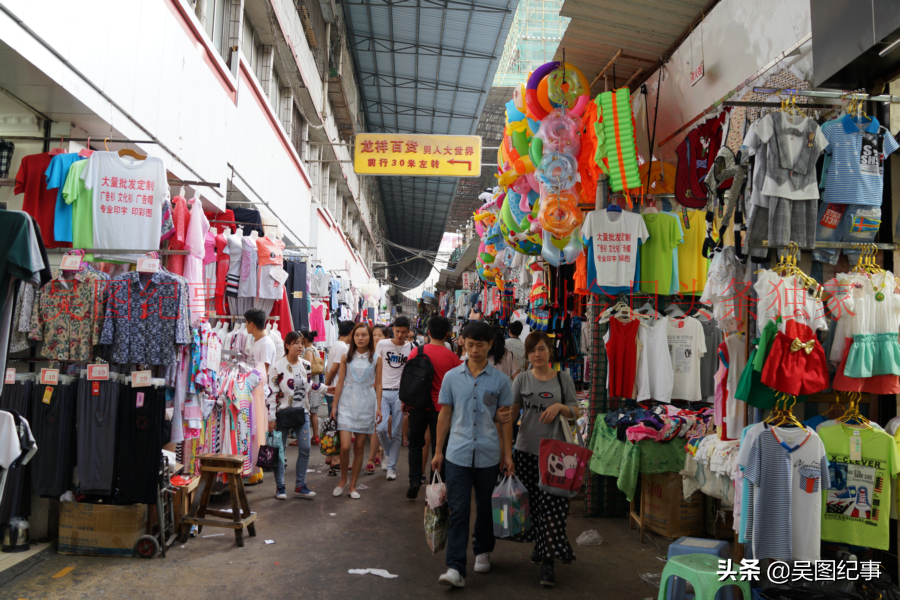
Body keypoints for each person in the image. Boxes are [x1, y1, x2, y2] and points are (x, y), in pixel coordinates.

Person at [432, 321, 513, 588]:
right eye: (470, 344)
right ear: (462, 344)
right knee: (459, 510)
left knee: (487, 508)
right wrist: (438, 451)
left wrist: (507, 455)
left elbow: (505, 420)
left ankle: (482, 549)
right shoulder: (452, 378)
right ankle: (455, 567)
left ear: (490, 345)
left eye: (480, 344)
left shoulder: (501, 381)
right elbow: (445, 414)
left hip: (489, 454)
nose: (475, 349)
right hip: (457, 453)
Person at [506, 331, 579, 586]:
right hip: (526, 451)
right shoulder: (521, 380)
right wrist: (506, 451)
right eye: (533, 350)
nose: (537, 354)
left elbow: (577, 410)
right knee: (533, 506)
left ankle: (548, 562)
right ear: (527, 355)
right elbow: (511, 416)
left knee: (553, 508)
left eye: (542, 349)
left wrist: (561, 407)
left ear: (550, 351)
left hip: (556, 456)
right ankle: (540, 546)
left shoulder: (563, 379)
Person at [406, 316, 459, 499]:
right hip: (441, 409)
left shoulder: (417, 352)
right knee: (440, 448)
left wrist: (406, 402)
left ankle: (414, 480)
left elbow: (409, 380)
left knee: (415, 444)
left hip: (418, 406)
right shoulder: (453, 358)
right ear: (446, 335)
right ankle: (435, 487)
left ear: (428, 332)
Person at [330, 323, 383, 499]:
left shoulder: (377, 358)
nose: (361, 338)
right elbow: (340, 382)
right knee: (345, 447)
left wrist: (379, 407)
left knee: (359, 447)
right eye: (358, 335)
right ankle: (343, 479)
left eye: (364, 335)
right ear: (353, 337)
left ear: (370, 337)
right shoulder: (346, 356)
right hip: (346, 402)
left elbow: (379, 384)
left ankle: (352, 486)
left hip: (367, 403)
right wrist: (334, 405)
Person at [267, 332, 316, 500]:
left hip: (301, 412)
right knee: (280, 451)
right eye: (296, 343)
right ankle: (280, 487)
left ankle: (300, 485)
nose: (301, 346)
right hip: (282, 415)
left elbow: (309, 385)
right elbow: (272, 394)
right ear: (287, 345)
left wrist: (325, 388)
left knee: (306, 449)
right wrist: (271, 418)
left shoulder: (306, 365)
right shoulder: (276, 367)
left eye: (302, 343)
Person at [375, 316, 413, 481]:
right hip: (382, 391)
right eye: (397, 331)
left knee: (396, 432)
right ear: (392, 329)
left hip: (400, 393)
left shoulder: (411, 347)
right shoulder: (382, 344)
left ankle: (391, 468)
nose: (400, 334)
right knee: (381, 428)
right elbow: (375, 367)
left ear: (408, 332)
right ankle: (388, 454)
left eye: (403, 332)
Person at [324, 321, 355, 476]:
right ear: (351, 332)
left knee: (333, 423)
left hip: (333, 391)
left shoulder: (336, 344)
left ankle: (330, 456)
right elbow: (335, 368)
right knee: (339, 426)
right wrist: (326, 386)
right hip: (336, 391)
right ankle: (336, 459)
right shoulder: (343, 347)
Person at [366, 325, 389, 474]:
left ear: (386, 337)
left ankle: (371, 457)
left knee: (375, 424)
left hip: (380, 390)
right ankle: (378, 449)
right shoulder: (364, 351)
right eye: (374, 335)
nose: (376, 338)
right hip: (365, 390)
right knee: (368, 423)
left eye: (379, 335)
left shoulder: (386, 353)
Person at [299, 330, 321, 446]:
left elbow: (309, 366)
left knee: (310, 411)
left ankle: (308, 437)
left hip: (310, 383)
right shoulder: (314, 348)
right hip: (315, 382)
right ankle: (315, 436)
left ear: (305, 340)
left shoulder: (308, 350)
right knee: (314, 412)